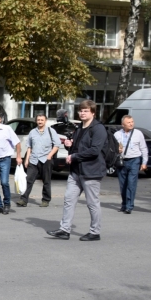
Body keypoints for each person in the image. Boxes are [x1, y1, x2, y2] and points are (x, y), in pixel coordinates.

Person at [47, 100, 107, 241]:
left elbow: (94, 150)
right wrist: (69, 145)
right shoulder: (79, 127)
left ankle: (95, 232)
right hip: (76, 171)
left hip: (91, 171)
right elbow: (76, 147)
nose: (82, 113)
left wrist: (74, 156)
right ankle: (64, 229)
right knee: (69, 200)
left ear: (93, 112)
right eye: (80, 110)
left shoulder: (98, 128)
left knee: (92, 203)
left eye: (85, 111)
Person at [16, 114, 59, 208]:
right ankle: (23, 199)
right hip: (34, 160)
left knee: (46, 181)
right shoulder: (32, 132)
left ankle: (45, 200)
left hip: (46, 160)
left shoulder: (51, 131)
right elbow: (29, 147)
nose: (40, 121)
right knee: (28, 180)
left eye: (42, 120)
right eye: (38, 120)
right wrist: (27, 159)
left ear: (45, 121)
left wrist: (49, 156)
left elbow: (56, 145)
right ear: (36, 121)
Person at [113, 115, 148, 214]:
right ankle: (124, 204)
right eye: (128, 122)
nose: (131, 124)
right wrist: (117, 150)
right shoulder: (117, 134)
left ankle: (130, 206)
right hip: (122, 161)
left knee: (131, 183)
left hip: (134, 160)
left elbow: (144, 148)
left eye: (132, 121)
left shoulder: (138, 133)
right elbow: (112, 149)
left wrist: (144, 162)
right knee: (123, 184)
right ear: (122, 124)